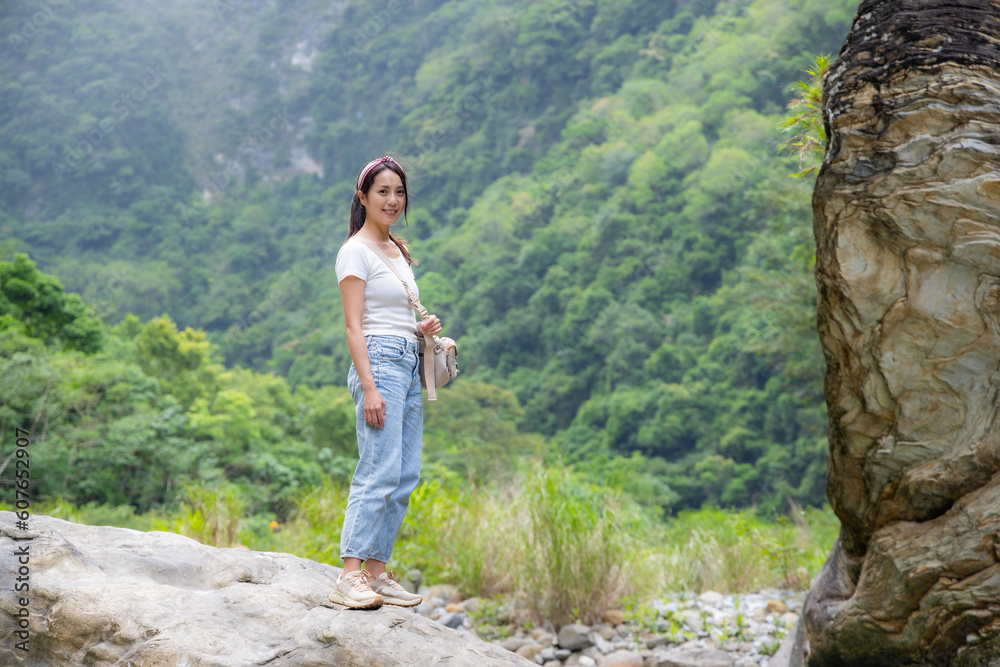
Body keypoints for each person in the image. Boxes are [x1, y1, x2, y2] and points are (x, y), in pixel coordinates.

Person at [328, 155, 442, 609]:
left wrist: (421, 329)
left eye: (399, 192)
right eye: (383, 192)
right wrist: (369, 386)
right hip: (378, 363)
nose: (392, 200)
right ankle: (350, 575)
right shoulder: (354, 250)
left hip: (407, 360)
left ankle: (376, 573)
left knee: (403, 473)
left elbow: (392, 316)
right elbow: (355, 326)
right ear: (363, 197)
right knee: (377, 469)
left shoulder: (397, 249)